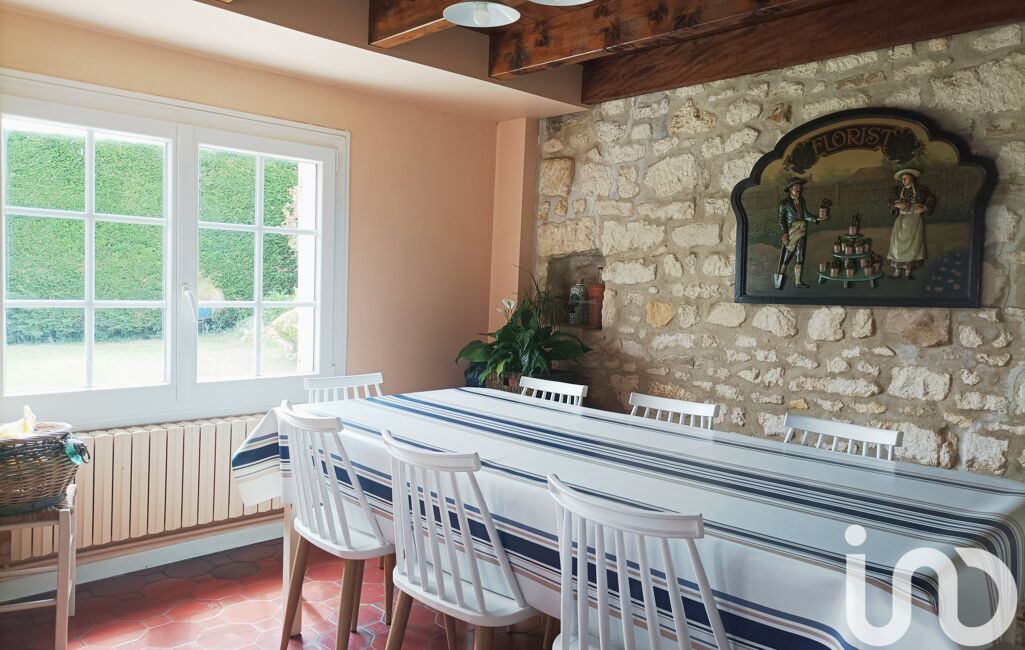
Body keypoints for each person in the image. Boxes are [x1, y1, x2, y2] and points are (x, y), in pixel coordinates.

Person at [887, 169, 935, 279]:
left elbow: (931, 199)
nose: (903, 180)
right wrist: (896, 205)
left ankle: (908, 271)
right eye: (902, 178)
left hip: (913, 220)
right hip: (901, 220)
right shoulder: (897, 191)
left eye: (906, 177)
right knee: (897, 245)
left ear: (912, 178)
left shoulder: (921, 190)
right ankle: (897, 271)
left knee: (913, 245)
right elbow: (890, 203)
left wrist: (924, 208)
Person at [778, 177, 824, 288]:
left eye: (800, 187)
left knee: (800, 255)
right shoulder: (784, 203)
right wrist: (785, 233)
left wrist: (817, 218)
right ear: (790, 188)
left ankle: (798, 282)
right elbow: (781, 219)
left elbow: (805, 215)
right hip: (792, 231)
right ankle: (779, 277)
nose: (799, 189)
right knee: (788, 255)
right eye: (797, 186)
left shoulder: (802, 200)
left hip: (802, 230)